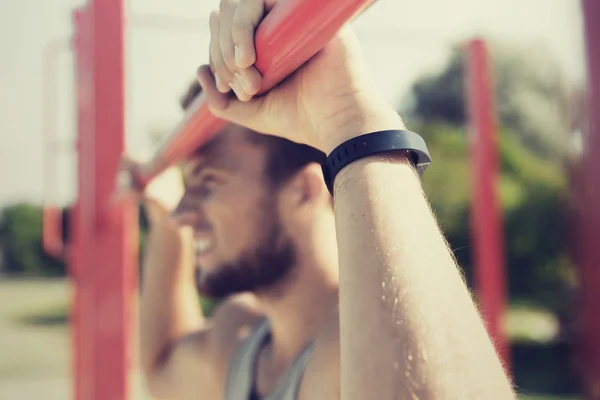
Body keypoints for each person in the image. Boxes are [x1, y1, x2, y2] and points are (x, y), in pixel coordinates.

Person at [134, 0, 515, 399]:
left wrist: (347, 118)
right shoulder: (242, 341)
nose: (183, 213)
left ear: (303, 190)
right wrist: (163, 226)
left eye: (208, 182)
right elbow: (161, 373)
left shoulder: (343, 350)